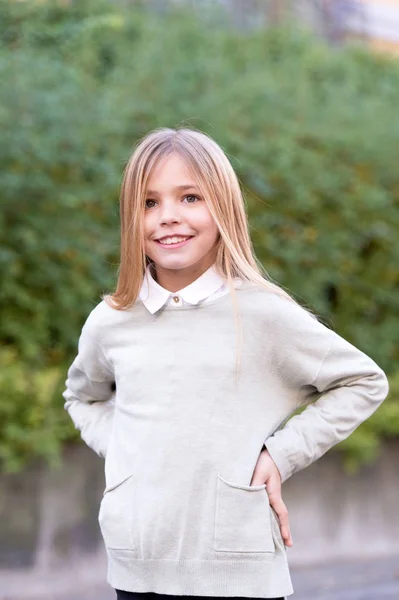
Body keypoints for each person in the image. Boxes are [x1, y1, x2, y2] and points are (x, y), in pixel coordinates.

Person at [62, 127, 389, 600]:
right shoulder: (111, 321)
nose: (167, 218)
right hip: (137, 566)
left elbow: (363, 381)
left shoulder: (262, 313)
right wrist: (123, 449)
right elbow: (82, 396)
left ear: (224, 207)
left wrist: (280, 454)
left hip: (240, 569)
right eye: (148, 203)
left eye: (190, 197)